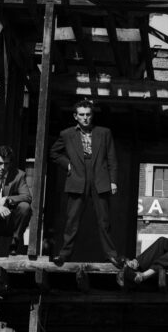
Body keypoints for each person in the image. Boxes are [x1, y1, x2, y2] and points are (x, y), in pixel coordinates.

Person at [49, 99, 123, 267]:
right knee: (72, 220)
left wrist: (113, 181)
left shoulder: (104, 133)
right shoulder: (66, 134)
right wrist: (67, 164)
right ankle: (64, 255)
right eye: (81, 115)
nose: (85, 118)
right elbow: (54, 153)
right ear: (75, 116)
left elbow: (112, 158)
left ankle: (111, 255)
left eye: (88, 115)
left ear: (92, 115)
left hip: (100, 177)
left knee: (104, 221)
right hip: (77, 177)